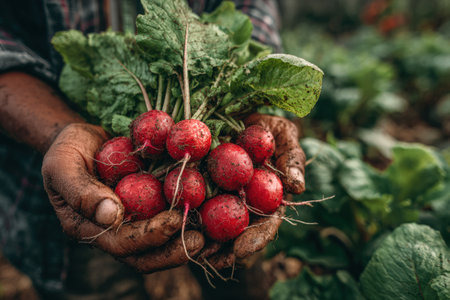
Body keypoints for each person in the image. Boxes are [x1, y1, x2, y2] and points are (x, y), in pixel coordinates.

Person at [0, 1, 306, 299]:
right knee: (99, 278)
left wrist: (253, 96)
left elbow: (250, 9)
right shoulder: (150, 141)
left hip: (216, 204)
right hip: (57, 177)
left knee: (238, 272)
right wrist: (58, 132)